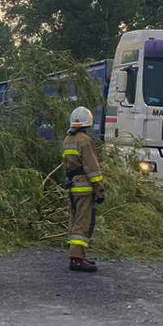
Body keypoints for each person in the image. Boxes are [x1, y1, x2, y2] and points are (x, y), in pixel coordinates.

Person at [62, 105, 104, 272]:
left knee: (75, 221)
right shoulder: (85, 141)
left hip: (73, 186)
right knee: (83, 223)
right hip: (85, 188)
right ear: (88, 123)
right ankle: (77, 260)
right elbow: (92, 168)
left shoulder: (68, 139)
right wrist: (100, 189)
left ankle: (79, 256)